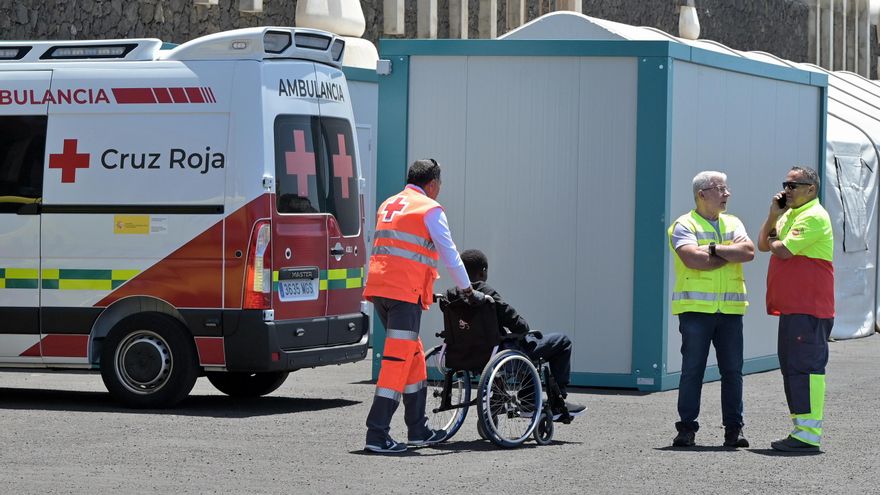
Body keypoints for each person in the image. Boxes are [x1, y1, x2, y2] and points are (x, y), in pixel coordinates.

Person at [362, 158, 488, 454]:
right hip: (404, 293)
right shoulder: (429, 209)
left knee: (413, 355)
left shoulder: (389, 204)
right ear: (431, 184)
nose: (440, 190)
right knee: (397, 362)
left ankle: (417, 428)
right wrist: (467, 290)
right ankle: (377, 433)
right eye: (440, 185)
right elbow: (450, 253)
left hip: (380, 289)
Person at [668, 171, 755, 448]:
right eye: (721, 189)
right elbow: (693, 259)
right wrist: (728, 253)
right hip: (695, 310)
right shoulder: (683, 224)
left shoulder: (734, 222)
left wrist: (714, 249)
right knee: (692, 370)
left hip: (729, 310)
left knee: (733, 371)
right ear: (702, 194)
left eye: (726, 188)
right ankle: (686, 430)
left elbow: (749, 252)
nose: (727, 194)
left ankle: (734, 430)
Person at [449, 249, 586, 419]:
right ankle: (557, 401)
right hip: (497, 353)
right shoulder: (485, 293)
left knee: (522, 346)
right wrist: (523, 329)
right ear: (483, 271)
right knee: (561, 341)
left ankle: (522, 398)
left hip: (466, 355)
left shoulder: (451, 295)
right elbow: (519, 325)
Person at [758, 166, 834, 453]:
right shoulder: (790, 213)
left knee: (807, 368)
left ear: (811, 189)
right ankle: (801, 428)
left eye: (793, 185)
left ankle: (808, 433)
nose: (786, 190)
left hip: (809, 307)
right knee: (793, 368)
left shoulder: (814, 215)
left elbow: (782, 250)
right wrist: (773, 216)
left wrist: (775, 236)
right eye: (785, 185)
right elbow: (762, 245)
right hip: (794, 307)